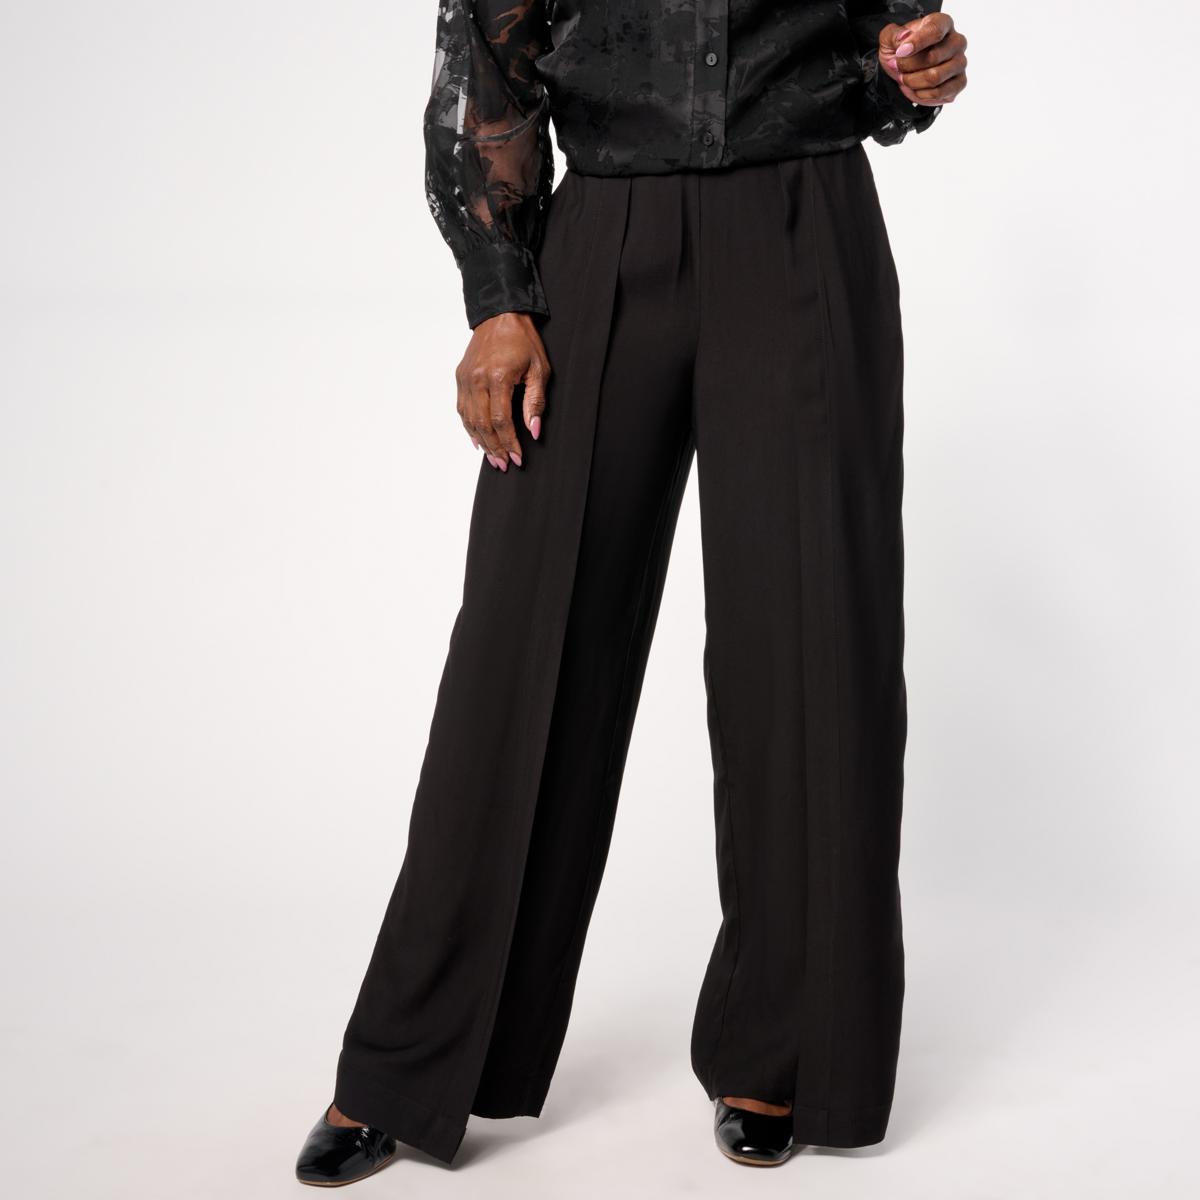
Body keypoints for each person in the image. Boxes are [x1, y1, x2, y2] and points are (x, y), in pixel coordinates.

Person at [295, 0, 967, 1185]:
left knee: (809, 645)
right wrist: (500, 298)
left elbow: (888, 42)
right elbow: (488, 67)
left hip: (804, 218)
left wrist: (915, 73)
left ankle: (782, 1050)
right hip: (600, 230)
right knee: (521, 650)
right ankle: (410, 1064)